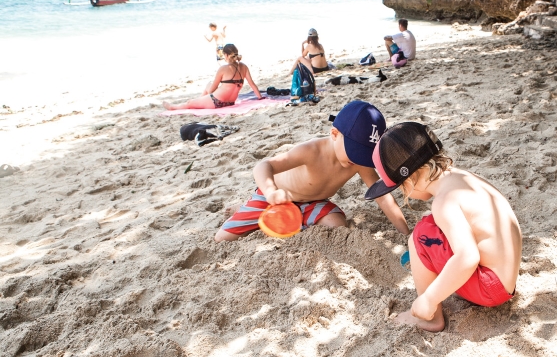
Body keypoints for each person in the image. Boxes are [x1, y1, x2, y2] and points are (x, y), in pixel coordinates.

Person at [364, 122, 522, 332]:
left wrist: (429, 298)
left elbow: (467, 257)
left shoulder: (444, 202)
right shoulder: (463, 178)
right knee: (432, 223)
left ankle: (431, 318)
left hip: (490, 289)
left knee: (420, 236)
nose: (403, 193)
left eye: (400, 188)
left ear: (410, 179)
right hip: (505, 280)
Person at [215, 100, 410, 242]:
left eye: (365, 154)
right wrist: (270, 191)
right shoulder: (310, 151)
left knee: (337, 225)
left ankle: (291, 222)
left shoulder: (359, 161)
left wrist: (405, 233)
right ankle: (247, 210)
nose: (358, 159)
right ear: (334, 134)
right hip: (274, 200)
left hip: (312, 202)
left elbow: (382, 197)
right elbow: (263, 166)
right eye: (355, 151)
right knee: (222, 238)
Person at [163, 44, 262, 110]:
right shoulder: (244, 67)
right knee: (208, 85)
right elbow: (252, 84)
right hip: (231, 102)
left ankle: (173, 107)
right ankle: (199, 100)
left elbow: (211, 91)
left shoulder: (223, 68)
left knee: (190, 102)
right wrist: (260, 98)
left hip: (217, 102)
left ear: (226, 55)